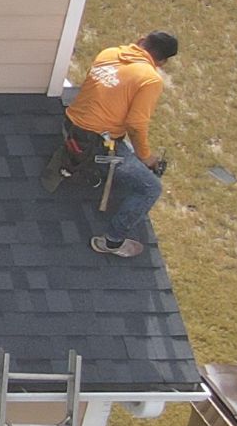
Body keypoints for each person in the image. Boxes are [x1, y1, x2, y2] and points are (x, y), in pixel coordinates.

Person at [59, 31, 176, 258]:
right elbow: (136, 124)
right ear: (161, 61)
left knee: (125, 154)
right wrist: (147, 158)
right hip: (94, 147)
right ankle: (112, 241)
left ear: (142, 40)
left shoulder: (110, 53)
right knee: (150, 187)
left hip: (71, 126)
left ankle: (92, 170)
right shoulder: (150, 79)